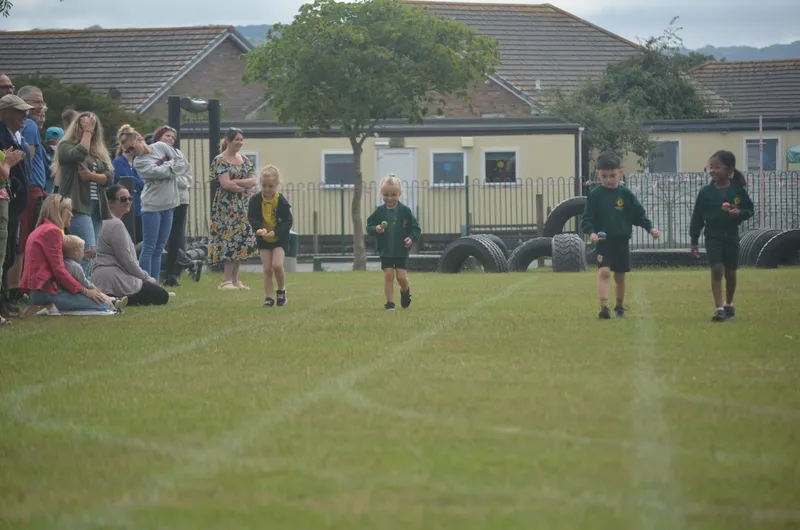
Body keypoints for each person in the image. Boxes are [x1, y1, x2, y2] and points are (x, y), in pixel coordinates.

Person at [580, 151, 660, 319]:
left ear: (620, 173)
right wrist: (592, 232)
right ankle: (604, 308)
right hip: (604, 242)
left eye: (612, 176)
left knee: (620, 276)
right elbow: (587, 219)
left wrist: (650, 229)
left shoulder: (626, 195)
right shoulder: (594, 195)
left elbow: (638, 215)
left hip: (622, 241)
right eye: (604, 176)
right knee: (604, 272)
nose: (609, 180)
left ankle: (619, 306)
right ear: (598, 174)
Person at [20, 194, 113, 314]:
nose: (72, 215)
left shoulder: (41, 229)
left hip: (38, 290)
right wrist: (85, 291)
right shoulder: (53, 231)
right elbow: (59, 270)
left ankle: (42, 307)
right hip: (46, 291)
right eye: (70, 210)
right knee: (103, 305)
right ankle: (42, 307)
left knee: (101, 302)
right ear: (60, 211)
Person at [690, 150, 754, 322]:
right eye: (711, 167)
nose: (713, 171)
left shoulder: (737, 190)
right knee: (717, 269)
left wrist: (738, 212)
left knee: (731, 273)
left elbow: (749, 210)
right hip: (713, 236)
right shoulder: (705, 192)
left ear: (729, 170)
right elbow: (697, 218)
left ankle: (729, 303)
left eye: (717, 167)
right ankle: (718, 308)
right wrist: (694, 240)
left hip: (731, 235)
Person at [117, 124, 184, 282]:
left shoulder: (161, 146)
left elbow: (182, 164)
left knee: (159, 249)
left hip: (169, 204)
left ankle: (156, 284)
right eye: (128, 151)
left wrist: (171, 165)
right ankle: (146, 283)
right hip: (152, 206)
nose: (132, 153)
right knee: (149, 247)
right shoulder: (139, 162)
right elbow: (158, 173)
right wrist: (171, 163)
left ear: (140, 139)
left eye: (133, 148)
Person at [51, 112, 114, 278]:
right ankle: (80, 289)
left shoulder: (98, 152)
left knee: (91, 253)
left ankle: (85, 287)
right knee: (85, 250)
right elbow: (79, 154)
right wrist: (86, 132)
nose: (88, 130)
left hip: (96, 207)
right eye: (84, 125)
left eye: (92, 127)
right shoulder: (65, 145)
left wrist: (92, 177)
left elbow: (109, 177)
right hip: (76, 205)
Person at [92, 185, 170, 306]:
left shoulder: (102, 220)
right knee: (162, 296)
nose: (128, 202)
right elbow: (127, 260)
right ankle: (116, 298)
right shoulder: (115, 224)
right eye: (123, 199)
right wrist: (147, 278)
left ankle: (113, 297)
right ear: (110, 203)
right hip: (114, 279)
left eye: (130, 198)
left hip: (102, 278)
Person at [207, 128, 257, 291]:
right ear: (227, 140)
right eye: (236, 139)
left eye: (241, 139)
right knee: (229, 240)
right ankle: (226, 280)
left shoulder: (244, 159)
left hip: (243, 207)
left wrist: (238, 182)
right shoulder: (220, 160)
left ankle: (236, 280)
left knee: (241, 241)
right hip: (226, 208)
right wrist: (244, 186)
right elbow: (225, 184)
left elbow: (254, 180)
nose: (240, 142)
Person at [366, 174, 421, 311]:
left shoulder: (405, 211)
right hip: (386, 250)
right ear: (381, 194)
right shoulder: (379, 212)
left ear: (399, 194)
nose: (389, 198)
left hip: (401, 250)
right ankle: (390, 303)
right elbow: (369, 227)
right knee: (388, 275)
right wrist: (376, 229)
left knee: (401, 277)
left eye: (393, 194)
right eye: (386, 194)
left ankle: (405, 290)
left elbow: (415, 229)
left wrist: (411, 238)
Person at [152, 125, 194, 287]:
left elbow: (187, 177)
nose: (170, 139)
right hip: (161, 200)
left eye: (173, 138)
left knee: (176, 237)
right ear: (159, 137)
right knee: (160, 237)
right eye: (167, 136)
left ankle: (172, 274)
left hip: (180, 199)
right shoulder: (152, 154)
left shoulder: (179, 155)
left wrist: (174, 179)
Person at [247, 165, 293, 307]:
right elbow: (252, 217)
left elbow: (288, 221)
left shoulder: (281, 201)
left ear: (277, 185)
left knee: (277, 265)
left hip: (279, 239)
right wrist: (259, 229)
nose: (267, 190)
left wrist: (276, 232)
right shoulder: (255, 200)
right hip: (263, 239)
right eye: (264, 186)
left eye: (271, 186)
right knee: (267, 268)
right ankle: (268, 297)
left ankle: (281, 291)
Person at [62, 234, 127, 312]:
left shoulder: (64, 263)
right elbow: (83, 281)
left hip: (70, 290)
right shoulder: (75, 267)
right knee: (97, 294)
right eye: (82, 250)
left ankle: (113, 300)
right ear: (75, 252)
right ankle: (112, 302)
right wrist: (93, 288)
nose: (83, 252)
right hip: (76, 291)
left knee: (96, 292)